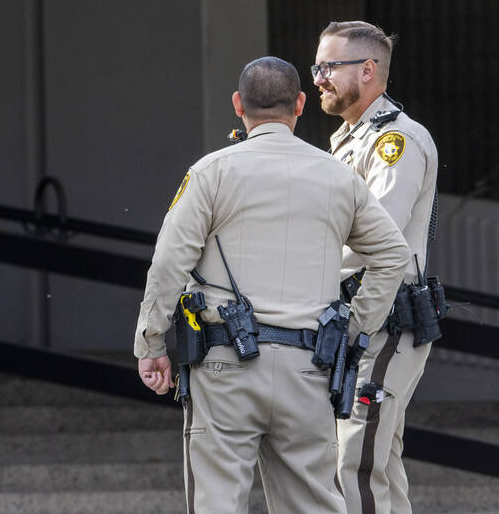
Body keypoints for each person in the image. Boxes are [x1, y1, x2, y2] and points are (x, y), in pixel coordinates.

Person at [134, 55, 410, 514]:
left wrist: (151, 342)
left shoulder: (211, 172)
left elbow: (168, 263)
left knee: (218, 501)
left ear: (238, 104)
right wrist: (355, 332)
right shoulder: (339, 177)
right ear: (300, 104)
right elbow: (393, 255)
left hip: (224, 369)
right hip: (310, 367)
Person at [313, 21, 439, 514]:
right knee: (377, 460)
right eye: (317, 65)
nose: (319, 77)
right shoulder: (346, 139)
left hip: (383, 317)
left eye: (329, 66)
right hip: (362, 317)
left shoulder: (396, 141)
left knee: (355, 464)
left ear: (368, 71)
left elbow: (378, 236)